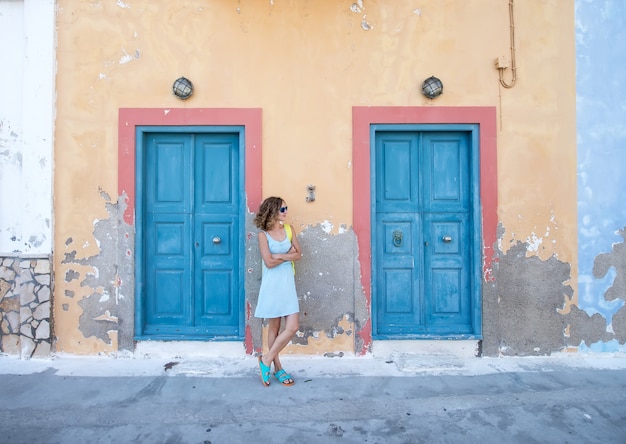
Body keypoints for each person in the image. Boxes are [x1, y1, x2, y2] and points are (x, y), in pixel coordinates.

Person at [253, 196, 302, 387]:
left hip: (287, 283)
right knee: (274, 327)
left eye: (286, 208)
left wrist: (280, 255)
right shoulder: (262, 235)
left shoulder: (289, 230)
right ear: (272, 211)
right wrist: (287, 255)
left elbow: (298, 254)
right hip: (272, 284)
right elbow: (269, 262)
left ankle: (265, 360)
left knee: (292, 326)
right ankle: (278, 368)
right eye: (282, 209)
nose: (286, 212)